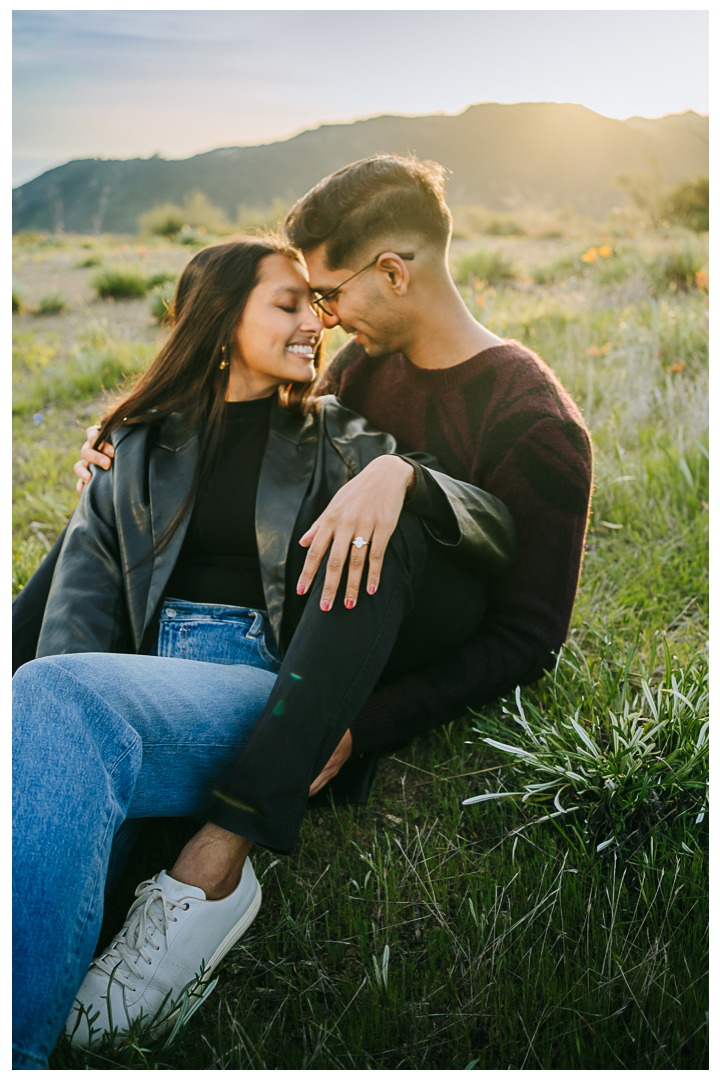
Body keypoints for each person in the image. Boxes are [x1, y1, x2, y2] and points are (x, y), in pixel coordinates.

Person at [12, 234, 515, 1068]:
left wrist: (407, 479)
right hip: (130, 687)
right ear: (219, 322)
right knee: (49, 694)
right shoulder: (134, 446)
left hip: (256, 690)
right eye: (288, 304)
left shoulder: (338, 436)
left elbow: (494, 528)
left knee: (60, 697)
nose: (313, 324)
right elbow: (75, 618)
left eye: (314, 306)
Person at [77, 153, 594, 788]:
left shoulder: (534, 421)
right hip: (281, 637)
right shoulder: (357, 370)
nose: (321, 318)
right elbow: (272, 463)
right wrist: (133, 460)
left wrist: (362, 726)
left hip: (364, 659)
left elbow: (527, 638)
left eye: (328, 294)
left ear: (393, 273)